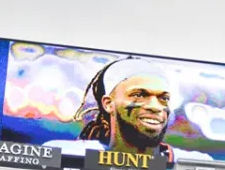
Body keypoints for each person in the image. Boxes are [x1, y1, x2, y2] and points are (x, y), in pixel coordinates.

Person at [45, 57, 212, 162]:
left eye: (163, 98)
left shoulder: (194, 162)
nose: (155, 107)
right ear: (108, 104)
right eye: (139, 95)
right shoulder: (64, 152)